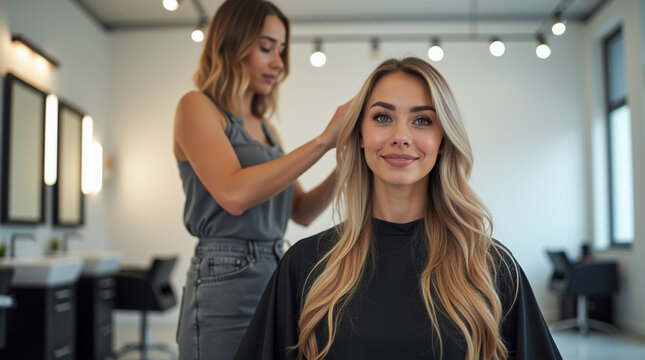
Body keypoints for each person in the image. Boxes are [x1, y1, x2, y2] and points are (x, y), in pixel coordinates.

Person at [235, 57, 562, 360]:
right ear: (360, 135)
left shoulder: (491, 268)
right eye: (382, 117)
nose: (401, 136)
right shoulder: (306, 264)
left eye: (422, 120)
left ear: (443, 140)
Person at [173, 0, 351, 358]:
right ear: (232, 44)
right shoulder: (196, 107)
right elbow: (233, 192)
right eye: (266, 47)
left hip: (274, 267)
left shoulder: (267, 130)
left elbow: (300, 211)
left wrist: (346, 163)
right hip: (225, 274)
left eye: (282, 50)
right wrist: (322, 141)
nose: (279, 63)